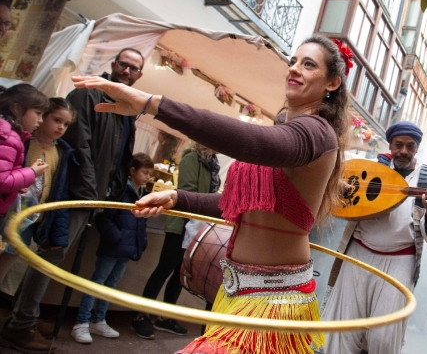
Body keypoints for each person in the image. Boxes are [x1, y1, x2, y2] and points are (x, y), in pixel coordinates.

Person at [71, 35, 350, 354]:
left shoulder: (316, 134)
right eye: (293, 61)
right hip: (235, 291)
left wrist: (152, 104)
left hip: (273, 299)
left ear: (332, 83)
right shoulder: (286, 130)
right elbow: (240, 204)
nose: (295, 69)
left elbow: (251, 142)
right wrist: (179, 198)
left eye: (309, 64)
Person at [1, 49, 144, 354]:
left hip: (91, 196)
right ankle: (21, 322)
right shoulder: (89, 94)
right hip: (75, 193)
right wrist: (92, 192)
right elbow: (81, 144)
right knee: (48, 255)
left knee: (51, 256)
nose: (127, 71)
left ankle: (24, 317)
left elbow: (119, 157)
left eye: (134, 68)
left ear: (139, 75)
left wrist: (113, 190)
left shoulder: (126, 111)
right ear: (114, 65)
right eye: (124, 64)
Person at [322, 120, 427, 354]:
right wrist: (341, 190)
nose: (403, 151)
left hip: (399, 261)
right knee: (343, 329)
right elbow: (339, 191)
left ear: (416, 149)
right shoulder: (371, 167)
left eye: (410, 146)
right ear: (390, 145)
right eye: (398, 145)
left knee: (384, 336)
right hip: (358, 254)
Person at [132, 142, 220, 340]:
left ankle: (165, 317)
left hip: (197, 227)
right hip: (181, 225)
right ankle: (141, 316)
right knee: (164, 269)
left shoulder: (212, 162)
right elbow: (186, 191)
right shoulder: (192, 157)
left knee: (181, 274)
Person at [71, 152, 152, 344]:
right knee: (97, 282)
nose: (148, 177)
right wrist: (117, 237)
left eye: (150, 173)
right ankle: (82, 322)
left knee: (111, 284)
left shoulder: (143, 194)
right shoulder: (121, 190)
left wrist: (140, 240)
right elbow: (105, 217)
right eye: (145, 172)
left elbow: (140, 223)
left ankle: (99, 319)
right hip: (115, 246)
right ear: (132, 171)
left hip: (127, 248)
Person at [0, 98, 76, 284]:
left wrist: (58, 234)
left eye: (66, 124)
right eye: (56, 120)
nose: (61, 127)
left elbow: (60, 192)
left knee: (6, 264)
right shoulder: (24, 142)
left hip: (30, 219)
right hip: (8, 212)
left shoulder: (62, 152)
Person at [0, 85, 49, 275]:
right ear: (19, 109)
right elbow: (2, 179)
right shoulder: (9, 137)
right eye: (37, 113)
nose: (40, 120)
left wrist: (17, 184)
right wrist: (30, 173)